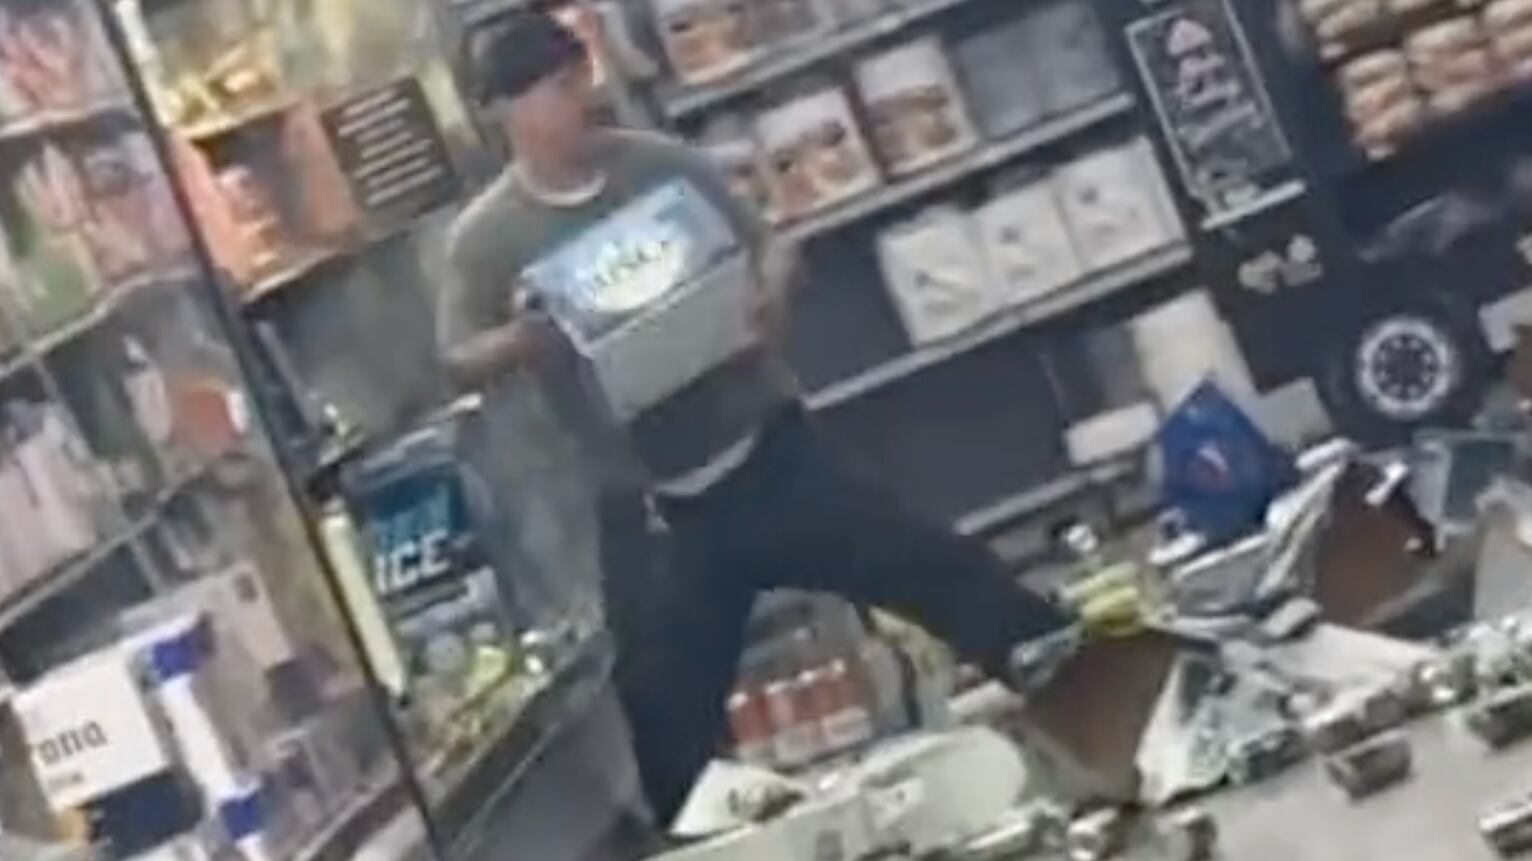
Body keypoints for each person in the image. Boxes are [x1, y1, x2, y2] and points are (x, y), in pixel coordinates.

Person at [439, 8, 1072, 828]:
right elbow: (456, 354)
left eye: (578, 79)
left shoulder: (657, 167)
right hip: (653, 504)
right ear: (503, 110)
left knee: (939, 569)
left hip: (766, 450)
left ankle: (1091, 679)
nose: (578, 101)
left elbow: (769, 241)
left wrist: (769, 293)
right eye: (555, 90)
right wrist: (524, 339)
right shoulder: (488, 237)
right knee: (667, 728)